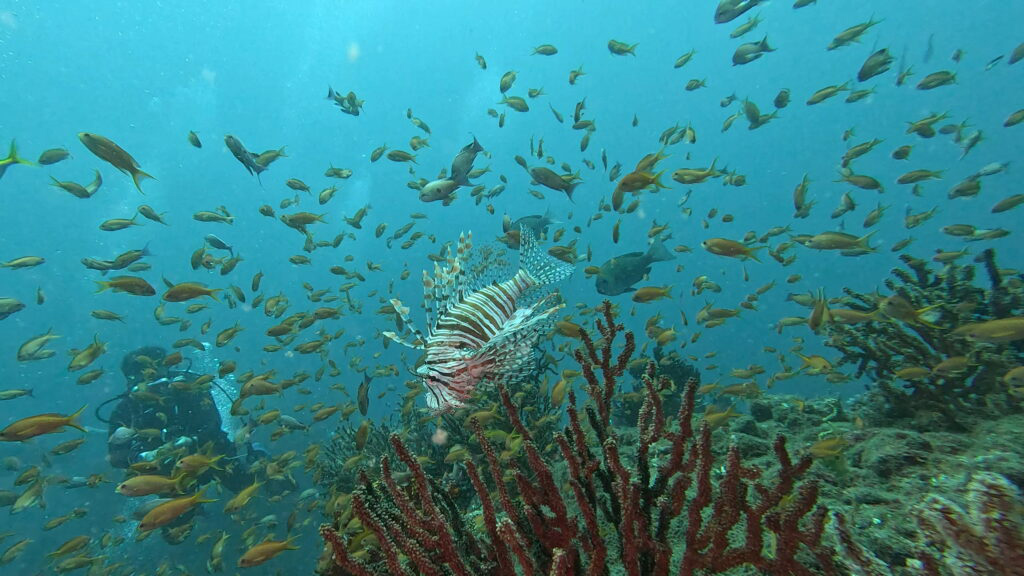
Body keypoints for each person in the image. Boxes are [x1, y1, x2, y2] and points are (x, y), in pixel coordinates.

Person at [104, 346, 252, 493]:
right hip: (166, 471)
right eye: (149, 377)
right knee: (170, 513)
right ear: (132, 379)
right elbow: (115, 455)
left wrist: (191, 440)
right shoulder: (126, 408)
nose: (158, 384)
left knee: (245, 487)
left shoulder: (189, 389)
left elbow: (213, 424)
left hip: (210, 452)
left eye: (159, 372)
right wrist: (143, 457)